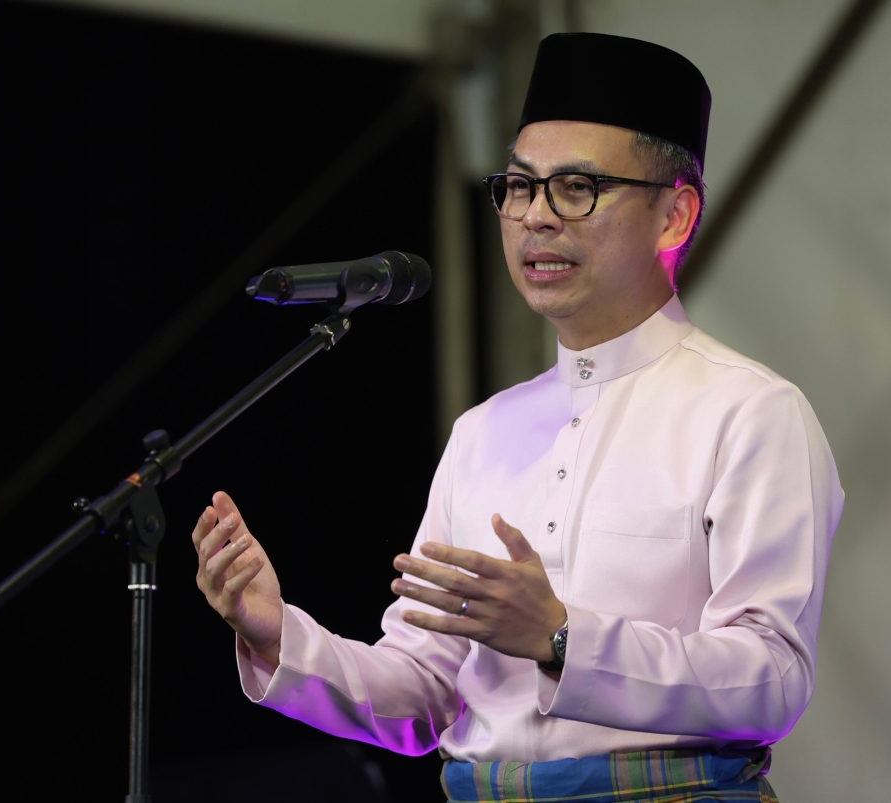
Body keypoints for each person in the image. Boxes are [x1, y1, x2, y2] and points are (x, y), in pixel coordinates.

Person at [192, 33, 843, 802]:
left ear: (674, 215)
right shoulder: (484, 432)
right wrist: (280, 637)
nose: (535, 217)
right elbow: (428, 693)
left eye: (576, 187)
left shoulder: (750, 412)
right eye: (519, 186)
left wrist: (562, 638)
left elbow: (773, 677)